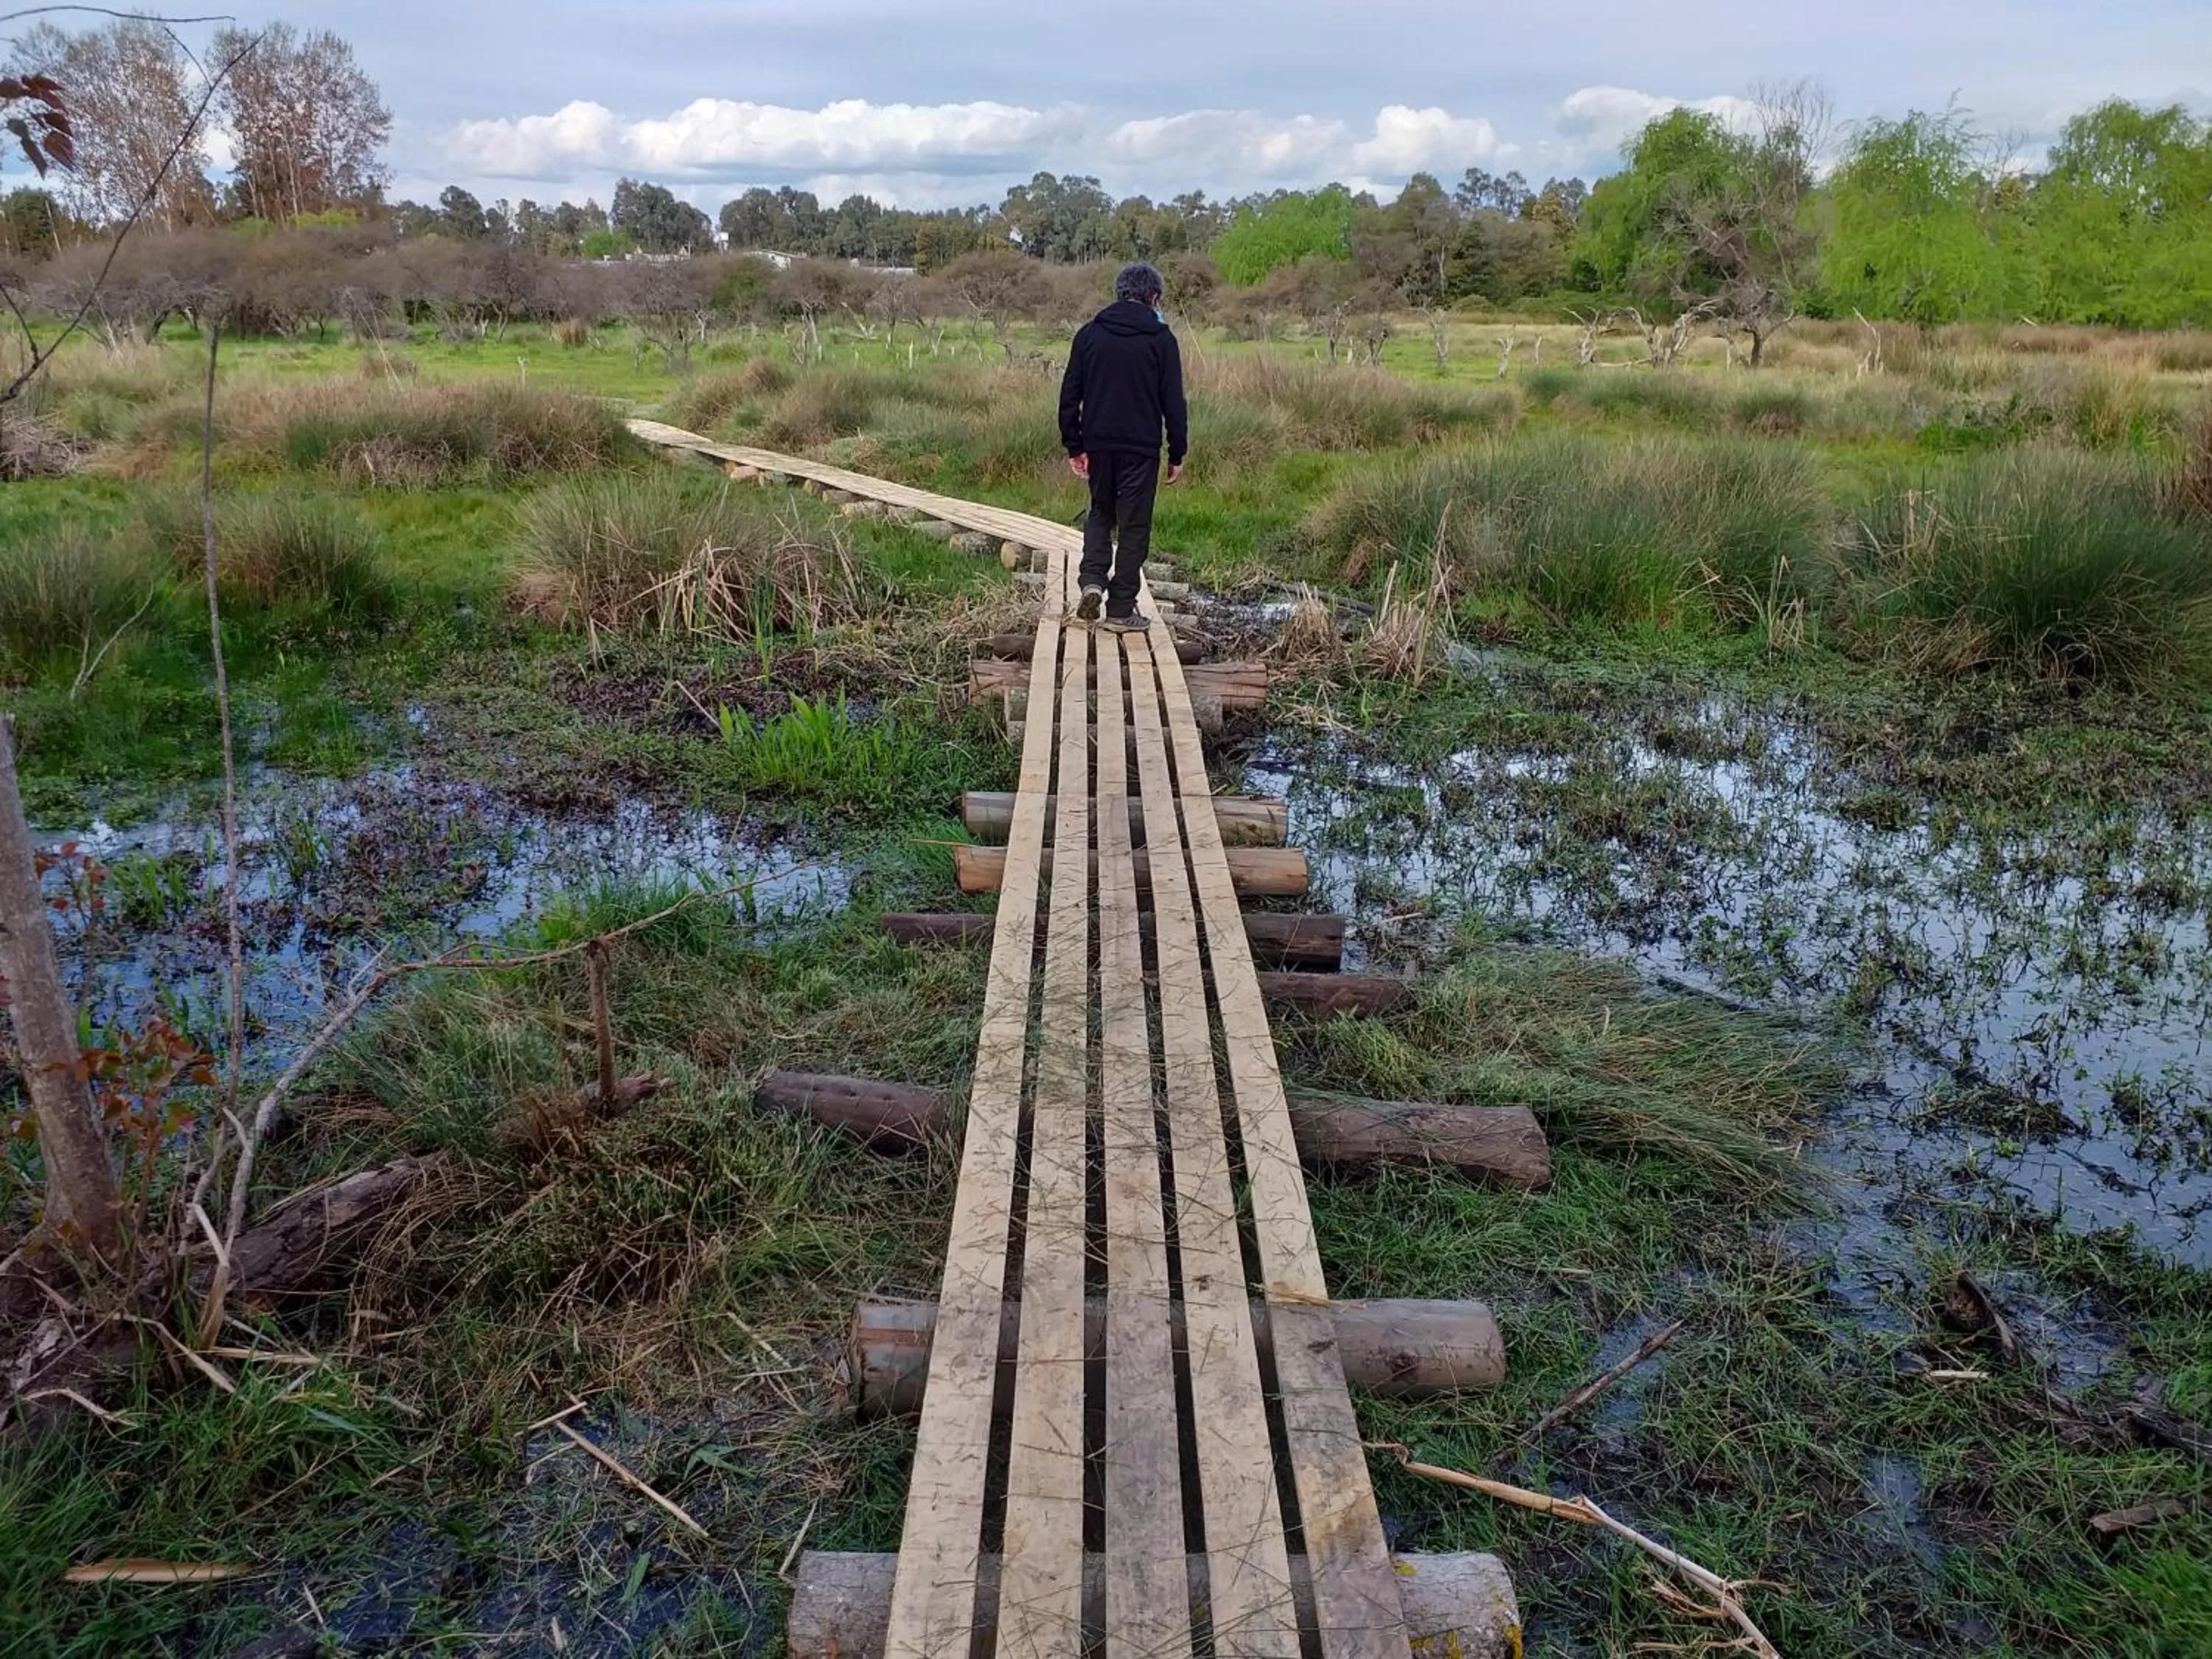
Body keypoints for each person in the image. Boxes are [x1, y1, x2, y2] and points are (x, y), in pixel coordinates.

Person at [1057, 260, 1188, 631]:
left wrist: (1074, 445)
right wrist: (1176, 451)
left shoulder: (1089, 335)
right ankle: (1120, 610)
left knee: (1100, 510)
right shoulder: (1162, 341)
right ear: (1154, 297)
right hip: (1142, 449)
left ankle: (1092, 580)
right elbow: (1173, 403)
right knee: (1134, 525)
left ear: (1118, 293)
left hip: (1098, 445)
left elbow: (1070, 396)